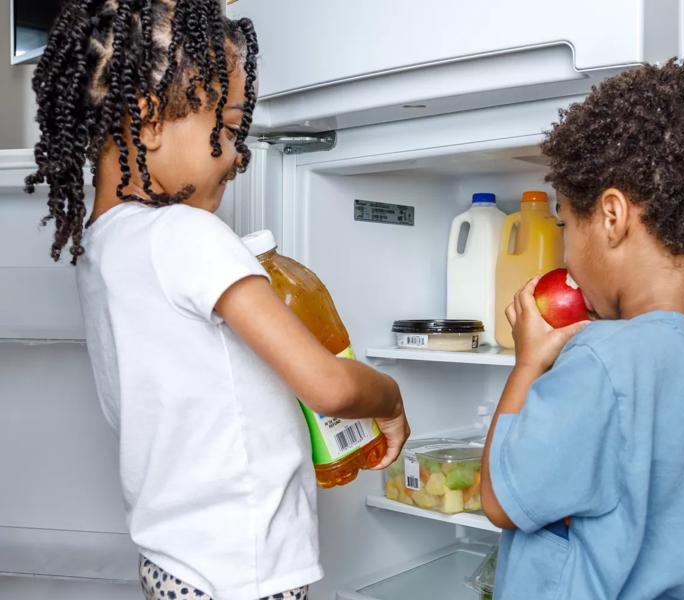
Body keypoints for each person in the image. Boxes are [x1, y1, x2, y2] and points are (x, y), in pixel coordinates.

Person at [25, 2, 410, 599]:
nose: (237, 155)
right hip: (242, 575)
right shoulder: (190, 235)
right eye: (228, 127)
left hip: (173, 564)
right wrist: (389, 396)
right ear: (149, 121)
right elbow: (329, 388)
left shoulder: (102, 249)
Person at [480, 59, 684, 599]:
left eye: (565, 227)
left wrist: (527, 362)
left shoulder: (600, 357)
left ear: (613, 217)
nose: (566, 257)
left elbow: (500, 501)